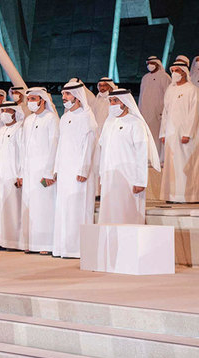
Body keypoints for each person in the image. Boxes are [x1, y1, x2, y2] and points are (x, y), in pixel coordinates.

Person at [97, 90, 161, 224]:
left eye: (116, 100)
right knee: (110, 215)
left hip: (129, 178)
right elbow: (104, 152)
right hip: (110, 178)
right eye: (110, 101)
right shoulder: (109, 123)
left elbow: (141, 153)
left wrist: (140, 181)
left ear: (125, 102)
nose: (112, 104)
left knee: (128, 214)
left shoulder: (136, 123)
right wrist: (102, 176)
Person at [52, 81, 98, 258]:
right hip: (64, 171)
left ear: (77, 96)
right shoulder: (65, 118)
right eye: (63, 94)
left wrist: (83, 170)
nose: (64, 98)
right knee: (64, 209)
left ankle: (78, 249)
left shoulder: (87, 117)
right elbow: (61, 145)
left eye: (68, 94)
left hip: (79, 173)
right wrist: (56, 168)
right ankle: (63, 248)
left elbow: (89, 145)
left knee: (78, 209)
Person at [19, 87, 60, 255]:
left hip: (44, 172)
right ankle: (32, 243)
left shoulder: (51, 119)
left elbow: (54, 145)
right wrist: (21, 172)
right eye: (29, 99)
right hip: (29, 171)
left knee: (44, 207)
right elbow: (23, 147)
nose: (30, 102)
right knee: (30, 206)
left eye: (34, 99)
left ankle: (46, 244)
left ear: (43, 100)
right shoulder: (28, 120)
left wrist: (49, 172)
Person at [159, 60, 199, 203]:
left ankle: (188, 196)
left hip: (187, 136)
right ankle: (171, 196)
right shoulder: (170, 89)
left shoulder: (192, 90)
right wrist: (163, 133)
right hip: (171, 134)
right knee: (171, 166)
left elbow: (194, 113)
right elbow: (165, 112)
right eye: (173, 70)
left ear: (184, 72)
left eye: (177, 70)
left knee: (186, 165)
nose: (174, 73)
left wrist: (187, 133)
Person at [0, 101, 25, 251]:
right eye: (2, 111)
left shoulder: (20, 129)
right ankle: (1, 240)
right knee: (0, 209)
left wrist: (21, 174)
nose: (4, 113)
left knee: (13, 209)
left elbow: (23, 154)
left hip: (13, 175)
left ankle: (13, 242)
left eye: (8, 110)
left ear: (15, 112)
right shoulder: (1, 131)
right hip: (0, 176)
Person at [138, 56, 170, 162]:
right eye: (148, 63)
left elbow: (168, 95)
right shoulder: (145, 77)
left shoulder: (164, 77)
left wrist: (164, 111)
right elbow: (142, 95)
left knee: (157, 136)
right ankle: (147, 158)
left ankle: (158, 158)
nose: (149, 65)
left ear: (157, 64)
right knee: (147, 136)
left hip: (158, 113)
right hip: (145, 112)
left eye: (152, 63)